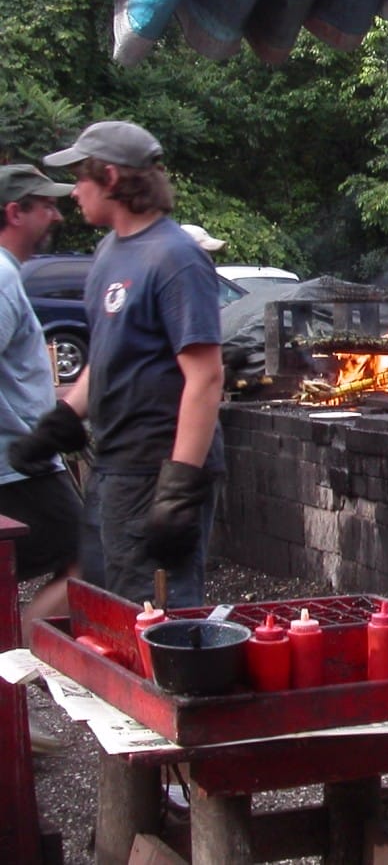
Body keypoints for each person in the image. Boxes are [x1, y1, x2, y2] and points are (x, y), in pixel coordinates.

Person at [9, 122, 225, 609]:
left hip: (157, 470)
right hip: (112, 467)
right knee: (99, 597)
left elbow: (206, 378)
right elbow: (107, 354)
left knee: (155, 611)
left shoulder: (177, 258)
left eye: (80, 178)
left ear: (109, 177)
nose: (73, 194)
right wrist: (64, 420)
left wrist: (179, 488)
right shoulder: (108, 253)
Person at [0, 165, 83, 645]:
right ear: (15, 212)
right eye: (45, 205)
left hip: (21, 457)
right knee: (90, 560)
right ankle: (15, 662)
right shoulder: (3, 281)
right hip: (18, 464)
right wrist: (28, 434)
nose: (56, 214)